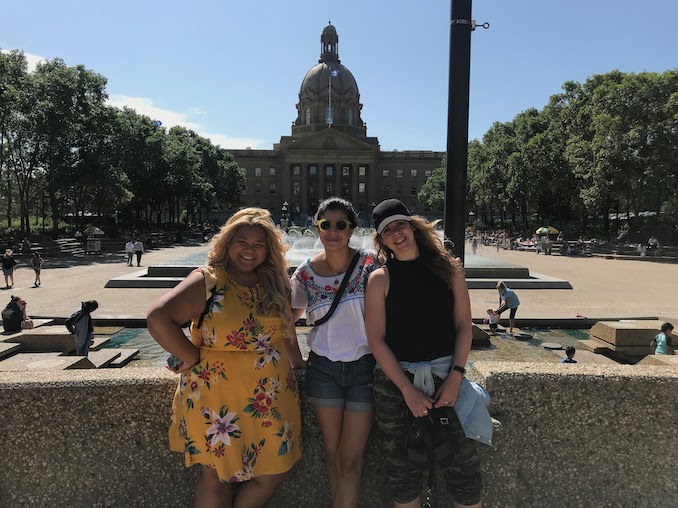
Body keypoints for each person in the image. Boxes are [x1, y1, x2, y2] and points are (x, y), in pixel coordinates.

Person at [147, 208, 302, 508]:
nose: (249, 250)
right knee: (215, 476)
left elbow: (285, 332)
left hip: (271, 396)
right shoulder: (209, 281)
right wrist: (189, 355)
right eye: (242, 241)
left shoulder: (276, 282)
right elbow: (157, 318)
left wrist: (300, 366)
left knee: (274, 470)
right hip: (215, 396)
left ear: (269, 249)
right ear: (227, 243)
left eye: (259, 244)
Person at [365, 199, 488, 508]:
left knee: (464, 468)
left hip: (447, 373)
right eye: (387, 230)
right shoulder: (380, 278)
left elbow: (463, 326)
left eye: (400, 225)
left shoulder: (450, 269)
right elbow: (376, 340)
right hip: (396, 383)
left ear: (413, 226)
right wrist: (407, 389)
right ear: (381, 240)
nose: (396, 233)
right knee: (402, 471)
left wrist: (456, 377)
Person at [290, 197, 380, 508]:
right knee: (333, 454)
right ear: (317, 228)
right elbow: (284, 321)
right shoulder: (305, 273)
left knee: (350, 459)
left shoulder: (370, 264)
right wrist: (296, 362)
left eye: (341, 225)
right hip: (323, 370)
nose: (333, 231)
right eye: (325, 224)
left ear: (352, 229)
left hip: (364, 369)